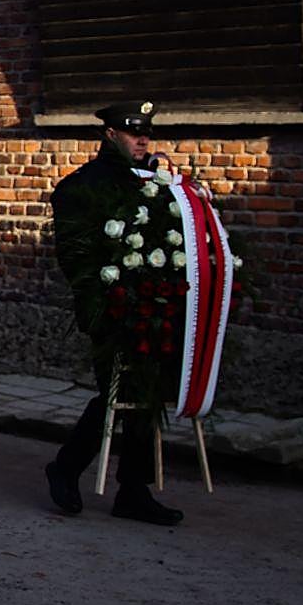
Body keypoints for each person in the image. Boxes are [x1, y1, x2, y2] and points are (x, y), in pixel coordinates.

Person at [45, 101, 183, 527]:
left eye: (146, 133)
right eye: (131, 132)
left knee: (148, 389)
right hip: (114, 308)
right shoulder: (84, 186)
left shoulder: (156, 182)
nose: (141, 140)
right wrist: (102, 300)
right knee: (114, 392)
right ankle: (66, 469)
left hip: (155, 304)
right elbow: (75, 254)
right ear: (110, 135)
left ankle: (133, 490)